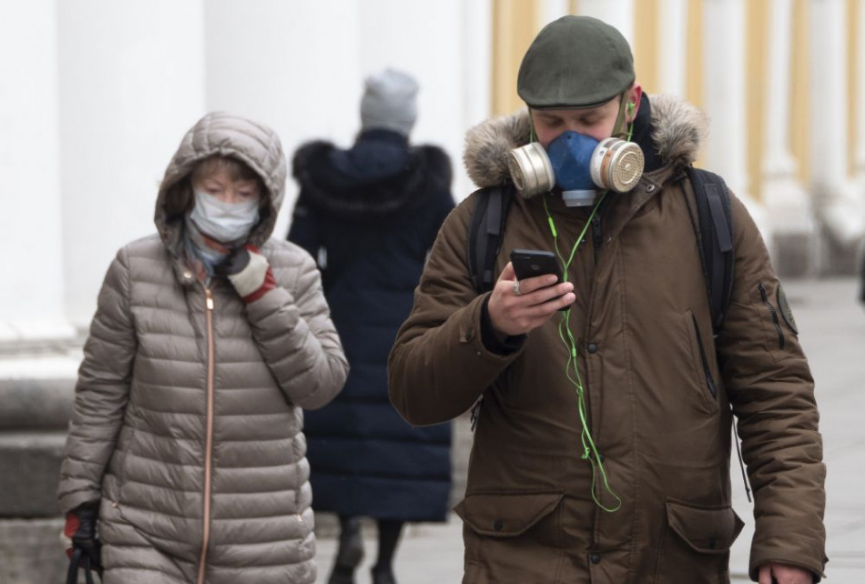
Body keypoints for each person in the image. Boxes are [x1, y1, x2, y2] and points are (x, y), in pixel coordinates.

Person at [388, 16, 827, 584]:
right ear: (528, 119)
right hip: (525, 561)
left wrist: (789, 543)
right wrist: (488, 327)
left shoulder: (708, 215)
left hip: (671, 560)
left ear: (630, 103)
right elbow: (412, 391)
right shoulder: (482, 222)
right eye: (552, 123)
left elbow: (777, 392)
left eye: (590, 120)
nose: (571, 140)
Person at [58, 111, 349, 584]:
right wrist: (79, 502)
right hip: (144, 529)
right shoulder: (136, 269)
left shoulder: (293, 271)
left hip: (264, 538)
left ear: (265, 200)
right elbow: (101, 393)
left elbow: (320, 385)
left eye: (243, 193)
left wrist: (264, 296)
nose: (227, 204)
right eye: (214, 191)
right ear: (186, 188)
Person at [288, 68, 455, 584]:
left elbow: (297, 253)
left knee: (343, 440)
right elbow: (453, 251)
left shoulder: (324, 178)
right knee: (396, 445)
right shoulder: (427, 183)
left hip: (336, 324)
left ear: (365, 117)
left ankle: (348, 533)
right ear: (409, 119)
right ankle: (384, 560)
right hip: (405, 327)